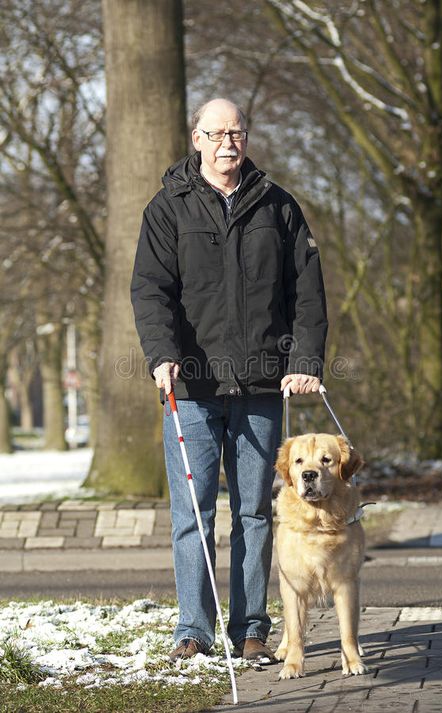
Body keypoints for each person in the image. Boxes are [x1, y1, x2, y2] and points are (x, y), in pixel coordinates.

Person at [130, 98, 328, 663]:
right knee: (193, 516)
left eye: (235, 132)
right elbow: (150, 291)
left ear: (247, 137)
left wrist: (305, 361)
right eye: (214, 133)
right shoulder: (167, 208)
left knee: (255, 512)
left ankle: (251, 628)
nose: (226, 143)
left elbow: (308, 294)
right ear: (196, 138)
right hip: (189, 387)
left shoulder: (279, 207)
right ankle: (192, 630)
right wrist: (161, 354)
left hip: (264, 385)